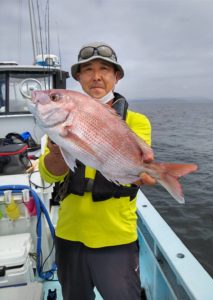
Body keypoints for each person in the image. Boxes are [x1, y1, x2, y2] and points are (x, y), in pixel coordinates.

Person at [38, 42, 156, 300]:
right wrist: (59, 147)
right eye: (88, 70)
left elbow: (135, 171)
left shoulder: (136, 121)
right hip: (70, 233)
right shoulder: (59, 116)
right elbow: (48, 176)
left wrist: (144, 172)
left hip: (116, 236)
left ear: (117, 76)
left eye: (105, 69)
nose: (96, 76)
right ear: (78, 77)